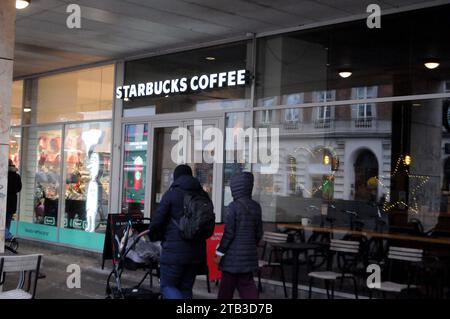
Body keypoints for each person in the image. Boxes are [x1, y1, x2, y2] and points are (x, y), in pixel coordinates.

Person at [148, 164, 209, 299]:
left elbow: (157, 221)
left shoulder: (171, 194)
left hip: (174, 253)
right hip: (196, 252)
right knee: (185, 288)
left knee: (168, 286)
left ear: (176, 177)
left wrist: (153, 236)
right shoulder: (203, 195)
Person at [215, 172, 263, 299]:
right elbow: (259, 233)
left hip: (232, 258)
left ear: (234, 188)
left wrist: (220, 252)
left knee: (226, 288)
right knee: (247, 285)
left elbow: (229, 233)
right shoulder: (256, 207)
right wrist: (251, 246)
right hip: (249, 255)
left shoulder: (233, 207)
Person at [5, 160, 22, 241]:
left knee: (2, 221)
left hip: (4, 200)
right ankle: (6, 236)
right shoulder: (17, 176)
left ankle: (7, 235)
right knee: (8, 220)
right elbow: (19, 188)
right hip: (12, 201)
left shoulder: (4, 175)